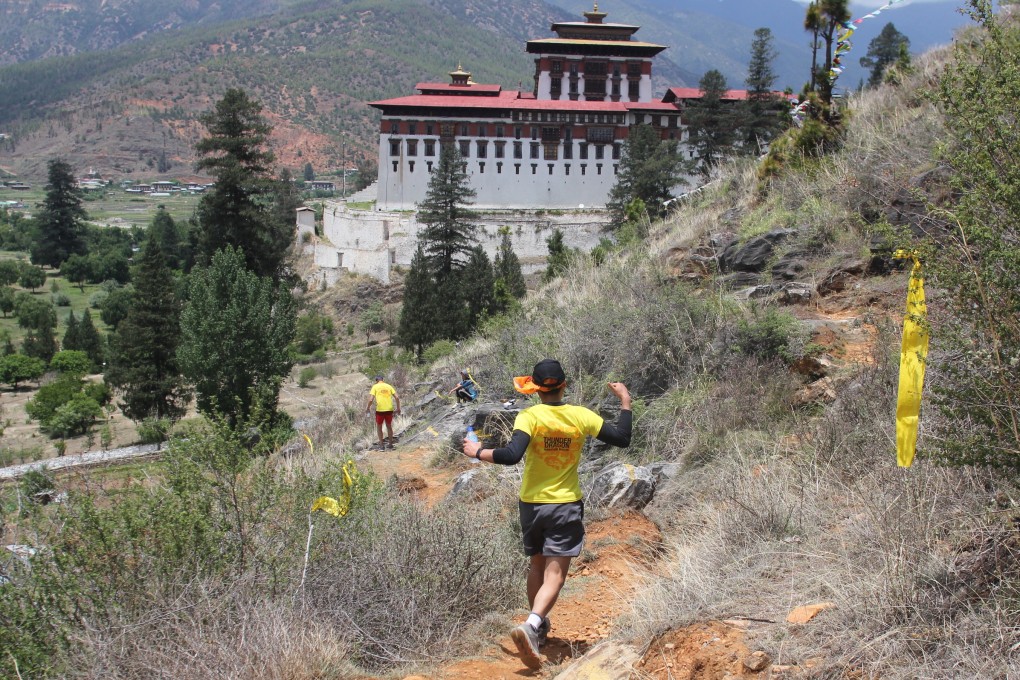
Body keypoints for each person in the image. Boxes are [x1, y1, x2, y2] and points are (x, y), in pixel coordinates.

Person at [462, 358, 631, 670]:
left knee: (537, 566)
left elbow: (512, 456)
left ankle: (536, 631)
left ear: (536, 389)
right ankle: (531, 624)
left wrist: (477, 452)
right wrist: (624, 401)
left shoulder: (529, 416)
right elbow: (622, 437)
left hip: (531, 504)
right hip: (564, 505)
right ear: (564, 385)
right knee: (556, 574)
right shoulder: (581, 416)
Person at [366, 375, 401, 451]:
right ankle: (390, 444)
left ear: (376, 380)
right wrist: (398, 408)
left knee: (379, 427)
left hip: (380, 410)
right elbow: (397, 397)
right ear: (383, 380)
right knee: (389, 426)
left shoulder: (375, 387)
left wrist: (368, 408)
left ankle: (381, 446)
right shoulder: (389, 386)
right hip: (389, 409)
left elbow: (371, 400)